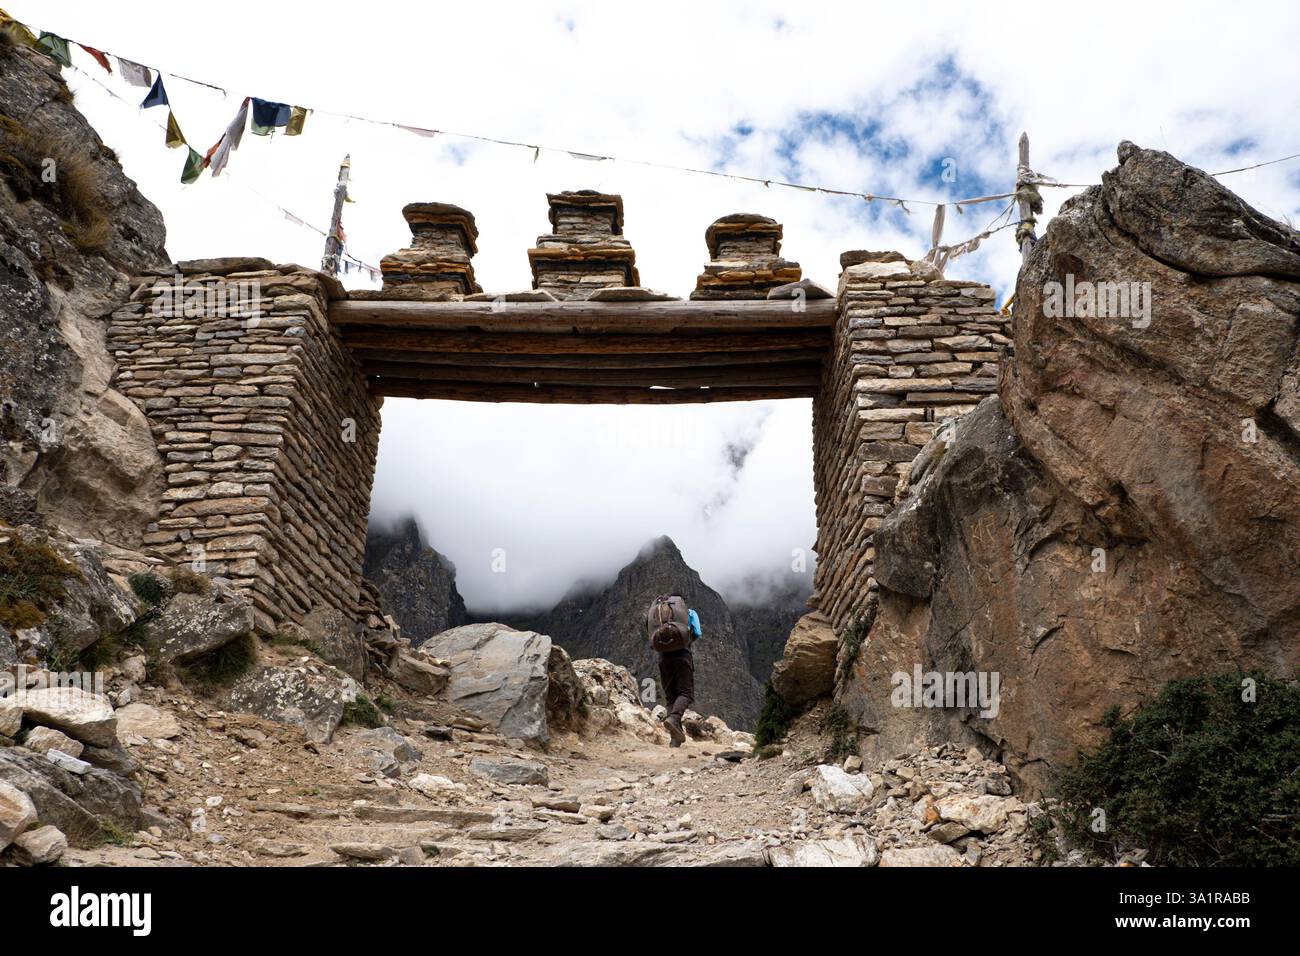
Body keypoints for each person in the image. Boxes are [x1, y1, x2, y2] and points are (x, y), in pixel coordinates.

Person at [650, 594, 702, 747]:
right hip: (682, 655)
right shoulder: (689, 613)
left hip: (663, 658)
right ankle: (674, 718)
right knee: (686, 693)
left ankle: (675, 740)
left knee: (671, 697)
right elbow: (697, 632)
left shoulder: (655, 613)